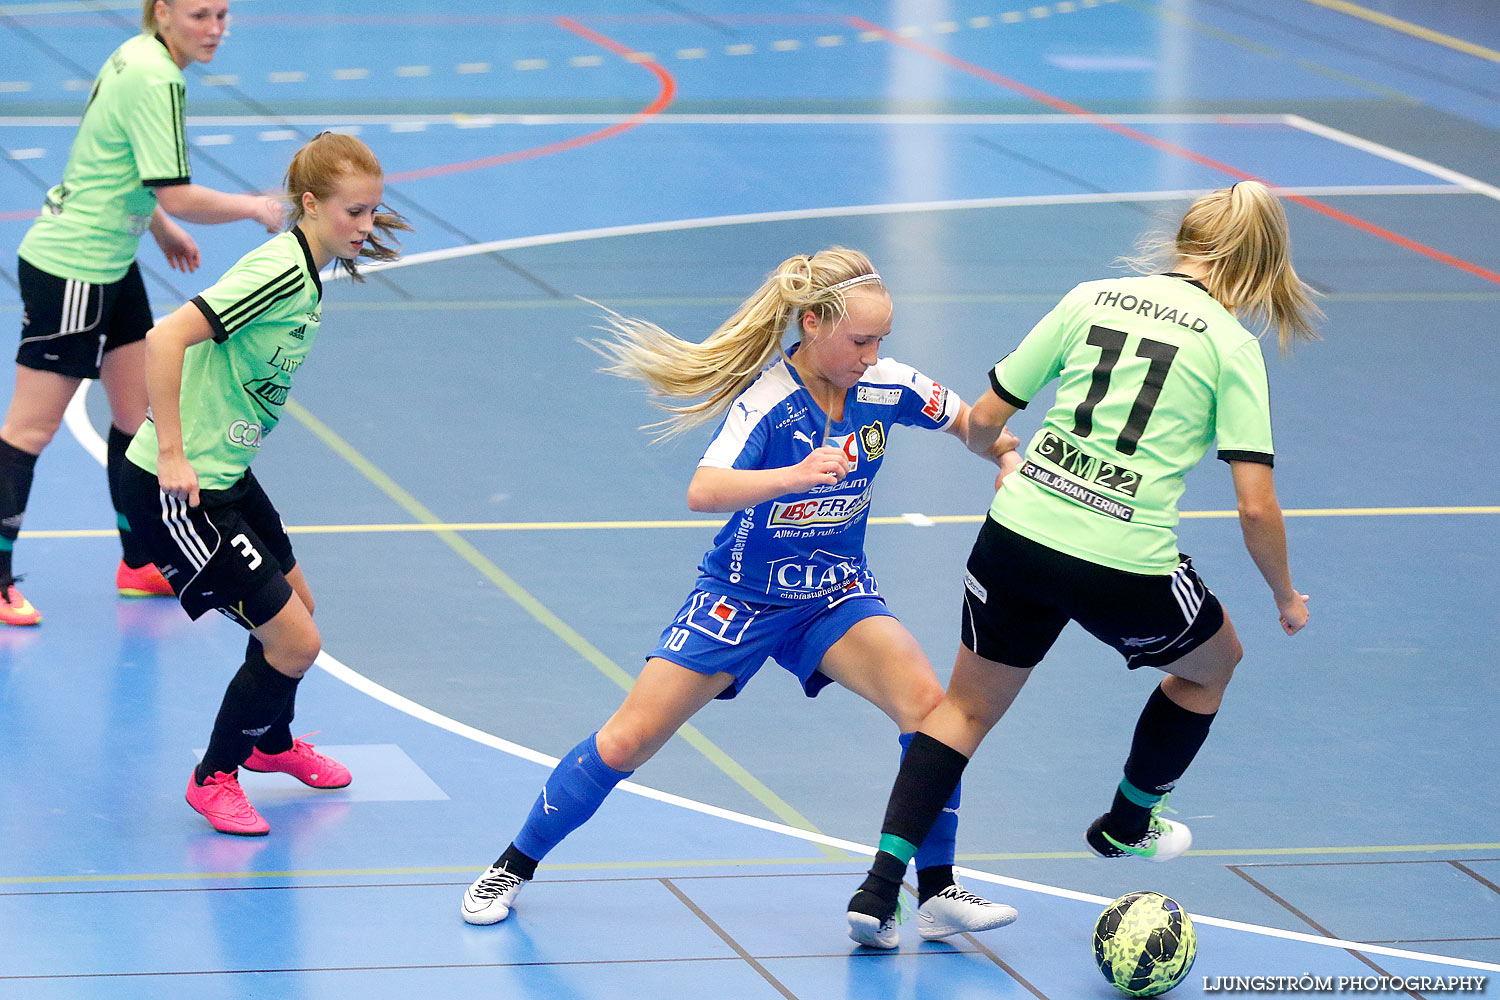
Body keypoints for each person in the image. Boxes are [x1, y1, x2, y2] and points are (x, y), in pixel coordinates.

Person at [460, 247, 1023, 944]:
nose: (873, 355)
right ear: (813, 324)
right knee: (629, 737)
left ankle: (935, 891)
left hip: (834, 597)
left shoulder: (887, 384)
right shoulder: (767, 403)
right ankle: (513, 865)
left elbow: (972, 423)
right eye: (859, 340)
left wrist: (1005, 457)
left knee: (929, 709)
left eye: (882, 340)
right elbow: (705, 489)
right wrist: (792, 476)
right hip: (740, 598)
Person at [845, 181, 1319, 947]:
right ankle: (1130, 820)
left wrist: (999, 458)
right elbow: (1256, 507)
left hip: (1018, 534)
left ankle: (876, 891)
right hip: (1121, 559)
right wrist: (1285, 595)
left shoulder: (1091, 296)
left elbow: (989, 417)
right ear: (1253, 265)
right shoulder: (1231, 347)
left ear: (1182, 241)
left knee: (962, 710)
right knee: (1215, 660)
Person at [117, 131, 408, 835]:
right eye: (353, 213)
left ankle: (271, 745)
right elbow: (165, 339)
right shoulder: (277, 269)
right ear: (310, 204)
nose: (366, 228)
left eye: (373, 212)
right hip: (184, 490)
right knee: (295, 643)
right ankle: (213, 775)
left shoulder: (309, 269)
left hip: (230, 478)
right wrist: (176, 454)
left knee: (298, 610)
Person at [0, 0, 285, 626]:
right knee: (28, 430)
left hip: (114, 259)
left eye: (221, 15)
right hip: (75, 266)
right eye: (199, 15)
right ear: (161, 12)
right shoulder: (157, 75)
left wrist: (156, 228)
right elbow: (179, 191)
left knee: (134, 416)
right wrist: (254, 208)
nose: (214, 30)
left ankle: (137, 561)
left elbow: (116, 163)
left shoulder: (136, 56)